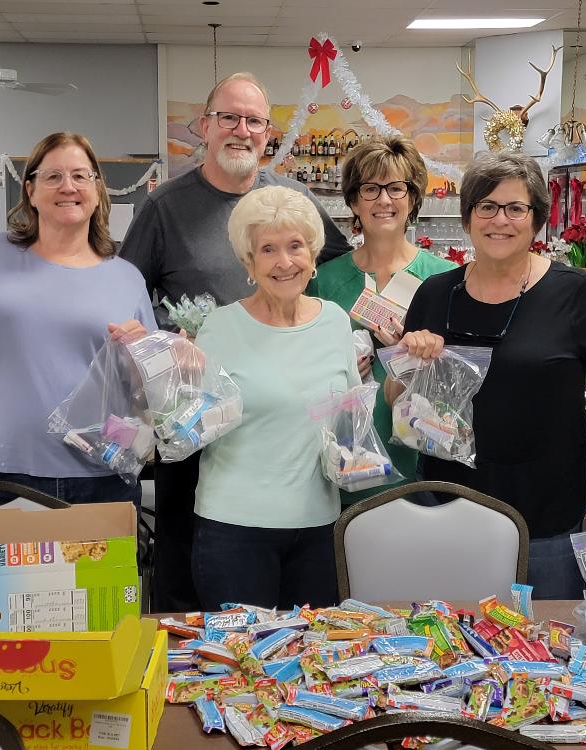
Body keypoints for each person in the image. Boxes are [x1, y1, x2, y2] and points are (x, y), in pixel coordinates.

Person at [120, 72, 351, 612]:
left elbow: (339, 268)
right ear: (205, 126)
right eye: (229, 117)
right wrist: (168, 339)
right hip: (197, 403)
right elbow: (130, 288)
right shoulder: (166, 204)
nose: (240, 130)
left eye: (253, 121)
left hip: (287, 427)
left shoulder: (290, 198)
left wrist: (368, 326)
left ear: (268, 133)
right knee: (189, 558)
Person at [388, 151, 586, 599]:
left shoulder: (576, 293)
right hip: (450, 503)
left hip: (547, 508)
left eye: (516, 208)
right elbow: (397, 395)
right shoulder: (436, 294)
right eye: (486, 206)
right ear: (469, 216)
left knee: (547, 639)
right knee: (454, 640)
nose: (500, 220)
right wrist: (410, 359)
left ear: (536, 219)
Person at [0, 132, 154, 507]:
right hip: (3, 473)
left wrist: (145, 353)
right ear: (30, 191)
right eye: (52, 176)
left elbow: (144, 391)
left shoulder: (127, 278)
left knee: (97, 570)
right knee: (5, 570)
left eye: (80, 175)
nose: (68, 187)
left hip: (102, 476)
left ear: (97, 188)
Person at [190, 185, 359, 610]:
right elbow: (189, 425)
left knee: (313, 666)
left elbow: (349, 417)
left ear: (314, 253)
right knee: (240, 668)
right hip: (234, 531)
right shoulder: (220, 328)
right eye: (268, 249)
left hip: (320, 529)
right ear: (249, 261)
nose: (285, 262)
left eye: (296, 246)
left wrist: (354, 455)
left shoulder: (335, 322)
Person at [309, 135, 457, 502]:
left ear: (413, 198)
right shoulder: (323, 279)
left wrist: (415, 357)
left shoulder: (446, 278)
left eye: (396, 188)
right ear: (354, 201)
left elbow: (460, 376)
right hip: (341, 457)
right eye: (371, 189)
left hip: (423, 455)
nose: (384, 200)